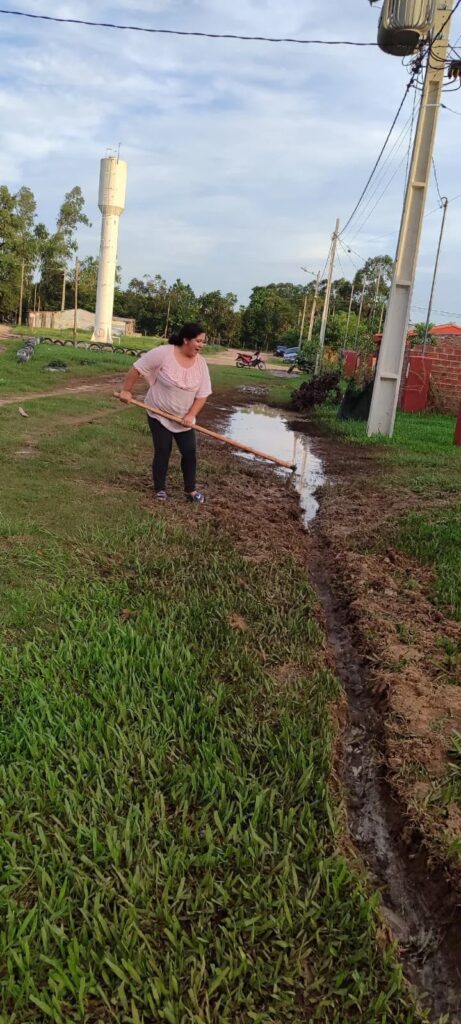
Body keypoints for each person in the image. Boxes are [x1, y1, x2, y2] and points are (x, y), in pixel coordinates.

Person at [119, 322, 212, 503]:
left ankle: (191, 490)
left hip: (184, 419)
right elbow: (137, 368)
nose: (201, 345)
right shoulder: (164, 353)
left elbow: (202, 395)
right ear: (186, 340)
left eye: (203, 342)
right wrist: (126, 390)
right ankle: (160, 489)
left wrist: (191, 415)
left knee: (190, 452)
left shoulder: (201, 364)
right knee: (163, 450)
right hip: (159, 413)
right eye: (198, 341)